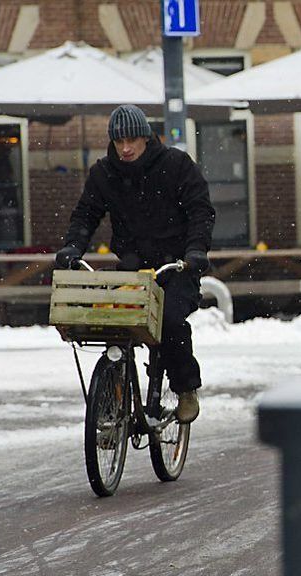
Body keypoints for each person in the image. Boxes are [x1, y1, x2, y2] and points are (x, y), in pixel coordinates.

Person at [55, 104, 215, 424]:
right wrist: (73, 246)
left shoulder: (176, 165)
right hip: (132, 266)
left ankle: (185, 388)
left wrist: (195, 252)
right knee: (112, 321)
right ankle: (112, 393)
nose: (125, 148)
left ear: (146, 137)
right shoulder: (104, 174)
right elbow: (86, 214)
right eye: (119, 142)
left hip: (177, 267)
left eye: (132, 140)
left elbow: (200, 211)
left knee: (169, 321)